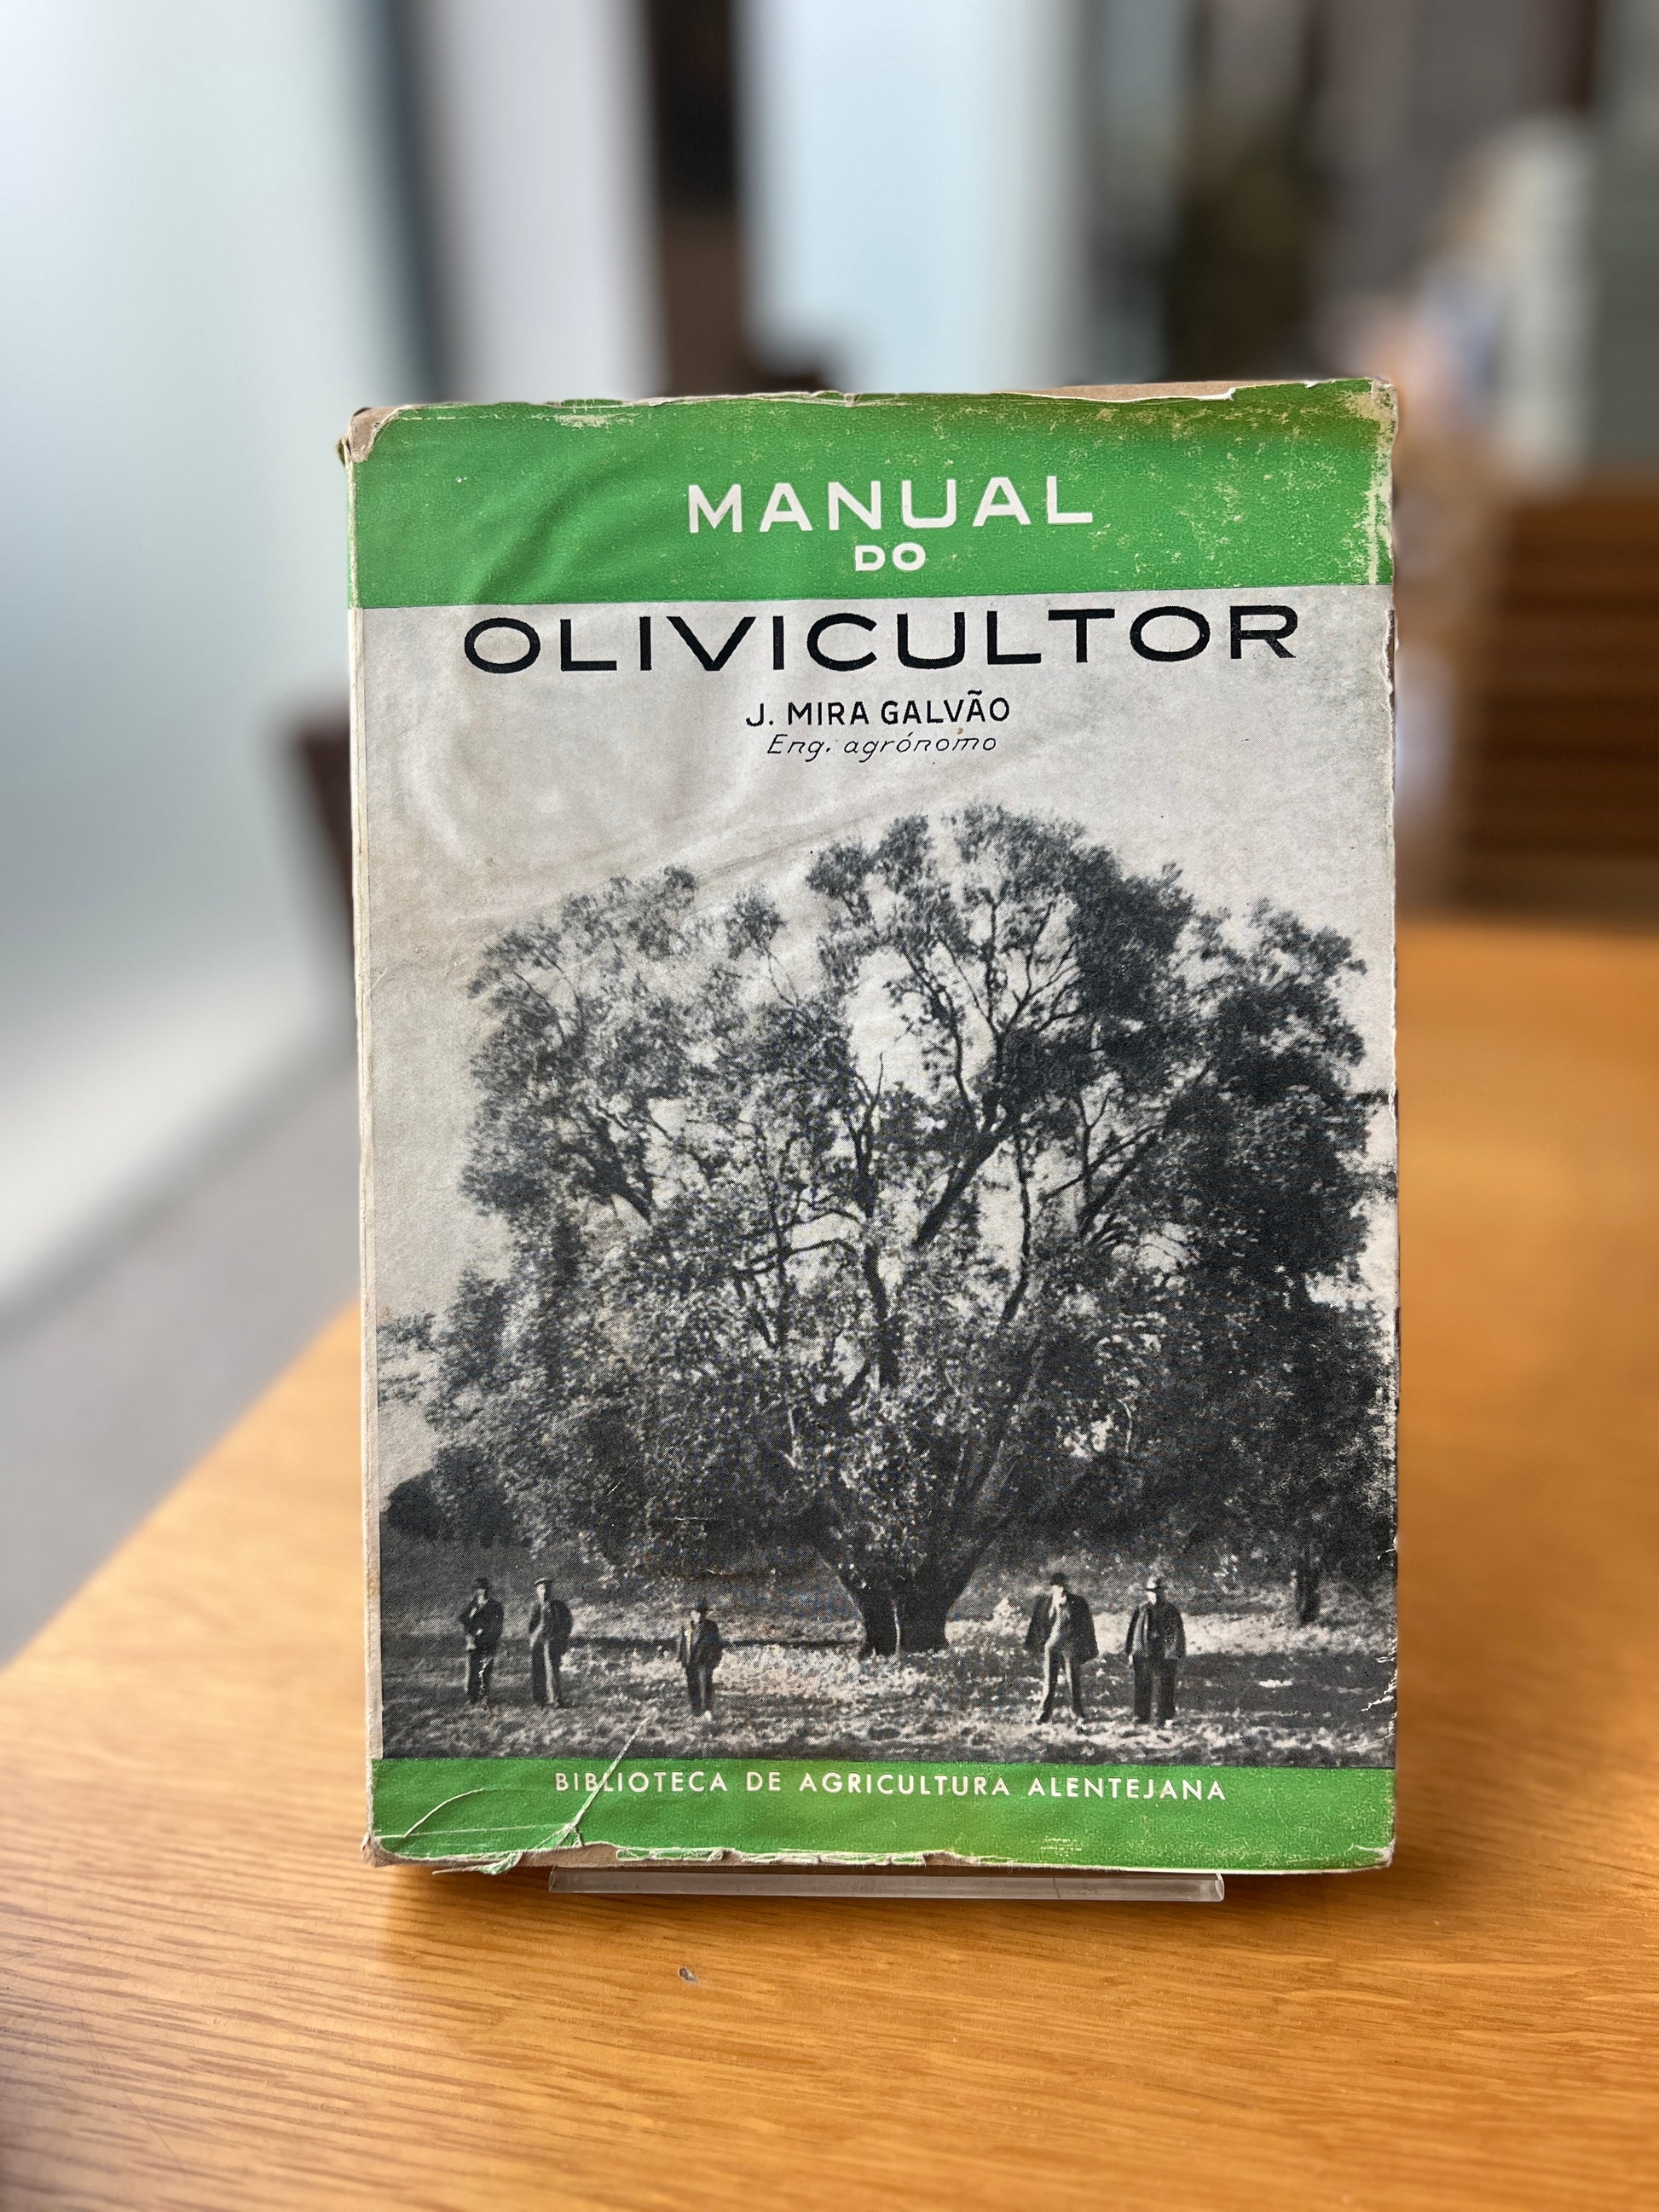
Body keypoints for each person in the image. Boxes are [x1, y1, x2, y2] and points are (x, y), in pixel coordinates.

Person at [1026, 1574, 1098, 1723]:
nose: (1063, 1588)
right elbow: (1038, 1625)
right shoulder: (1045, 1603)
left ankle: (1078, 1714)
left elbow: (1087, 1627)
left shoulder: (1077, 1602)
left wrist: (1085, 1648)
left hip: (1070, 1647)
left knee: (1073, 1681)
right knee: (1049, 1681)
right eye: (1059, 1585)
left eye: (1064, 1585)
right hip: (1051, 1647)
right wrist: (1038, 1645)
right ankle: (1044, 1714)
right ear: (1052, 1587)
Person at [1124, 1575, 1186, 1725]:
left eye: (1159, 1592)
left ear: (1164, 1592)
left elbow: (1179, 1634)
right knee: (1142, 1684)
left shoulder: (1172, 1611)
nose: (1155, 1595)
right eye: (1152, 1592)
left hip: (1165, 1653)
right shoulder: (1140, 1610)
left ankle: (1165, 1717)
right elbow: (1132, 1633)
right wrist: (1130, 1652)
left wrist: (1178, 1654)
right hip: (1144, 1652)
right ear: (1147, 1593)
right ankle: (1141, 1717)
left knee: (1166, 1685)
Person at [459, 1577, 505, 1710]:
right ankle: (472, 1696)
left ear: (487, 1590)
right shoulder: (473, 1604)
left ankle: (484, 1696)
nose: (480, 1591)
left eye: (483, 1589)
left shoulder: (495, 1605)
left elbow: (498, 1625)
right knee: (472, 1669)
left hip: (488, 1642)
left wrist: (487, 1634)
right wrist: (471, 1631)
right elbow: (463, 1618)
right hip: (474, 1642)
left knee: (486, 1669)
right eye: (478, 1589)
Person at [527, 1579, 573, 1709]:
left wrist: (561, 1637)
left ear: (551, 1591)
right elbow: (531, 1626)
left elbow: (568, 1623)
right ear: (537, 1592)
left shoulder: (559, 1606)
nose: (545, 1592)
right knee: (538, 1669)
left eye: (547, 1588)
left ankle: (556, 1699)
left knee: (552, 1669)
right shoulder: (535, 1607)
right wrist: (533, 1638)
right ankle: (540, 1699)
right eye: (541, 1589)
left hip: (552, 1641)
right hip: (538, 1642)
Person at [675, 1599, 723, 1721]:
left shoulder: (711, 1627)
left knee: (706, 1685)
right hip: (689, 1661)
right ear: (691, 1613)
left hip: (705, 1661)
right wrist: (680, 1657)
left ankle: (707, 1710)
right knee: (692, 1685)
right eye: (697, 1612)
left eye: (703, 1612)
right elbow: (681, 1642)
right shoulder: (686, 1626)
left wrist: (715, 1659)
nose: (700, 1615)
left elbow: (717, 1645)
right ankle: (696, 1711)